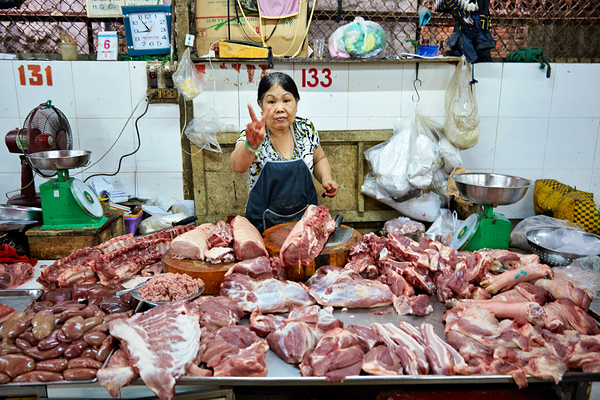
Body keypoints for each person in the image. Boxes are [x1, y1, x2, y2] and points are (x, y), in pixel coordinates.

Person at [231, 71, 339, 233]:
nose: (279, 108)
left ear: (296, 102)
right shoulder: (255, 133)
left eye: (286, 100)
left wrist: (326, 178)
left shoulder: (305, 129)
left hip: (305, 223)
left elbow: (319, 158)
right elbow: (238, 166)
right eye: (271, 102)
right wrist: (251, 145)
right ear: (260, 105)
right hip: (263, 225)